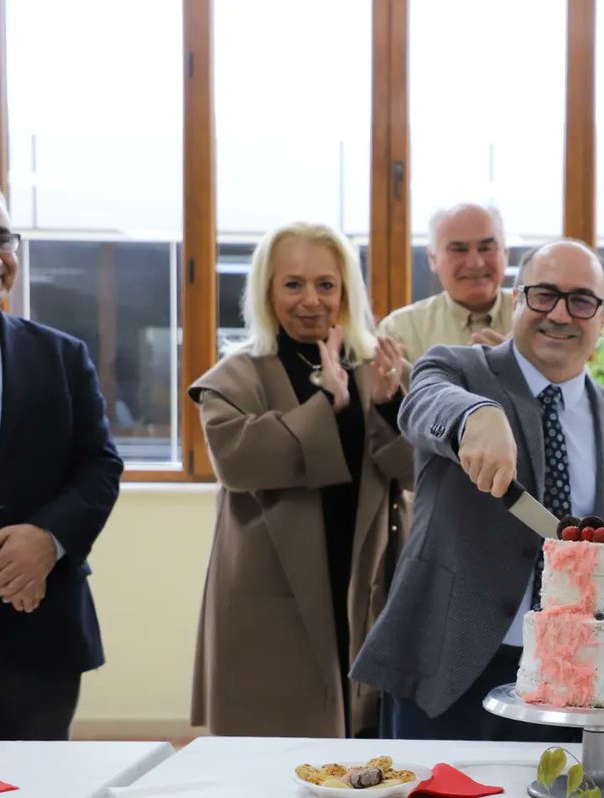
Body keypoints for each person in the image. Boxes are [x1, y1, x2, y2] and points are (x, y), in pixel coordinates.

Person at [352, 239, 604, 741]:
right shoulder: (458, 370)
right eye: (543, 295)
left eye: (581, 301)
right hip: (447, 670)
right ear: (516, 299)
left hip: (567, 680)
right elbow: (423, 401)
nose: (560, 314)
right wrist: (476, 414)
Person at [188, 222, 412, 737]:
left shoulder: (378, 366)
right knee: (275, 744)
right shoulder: (238, 374)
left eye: (325, 284)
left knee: (365, 736)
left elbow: (415, 472)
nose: (311, 300)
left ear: (345, 290)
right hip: (273, 582)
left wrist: (387, 405)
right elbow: (237, 461)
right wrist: (326, 404)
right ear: (267, 291)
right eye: (293, 284)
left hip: (363, 570)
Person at [0, 168, 123, 740]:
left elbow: (99, 465)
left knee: (41, 780)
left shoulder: (61, 354)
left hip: (41, 637)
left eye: (3, 238)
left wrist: (47, 539)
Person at [378, 203, 514, 361]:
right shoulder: (401, 330)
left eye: (486, 248)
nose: (475, 263)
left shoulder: (534, 317)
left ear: (505, 254)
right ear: (433, 259)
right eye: (459, 250)